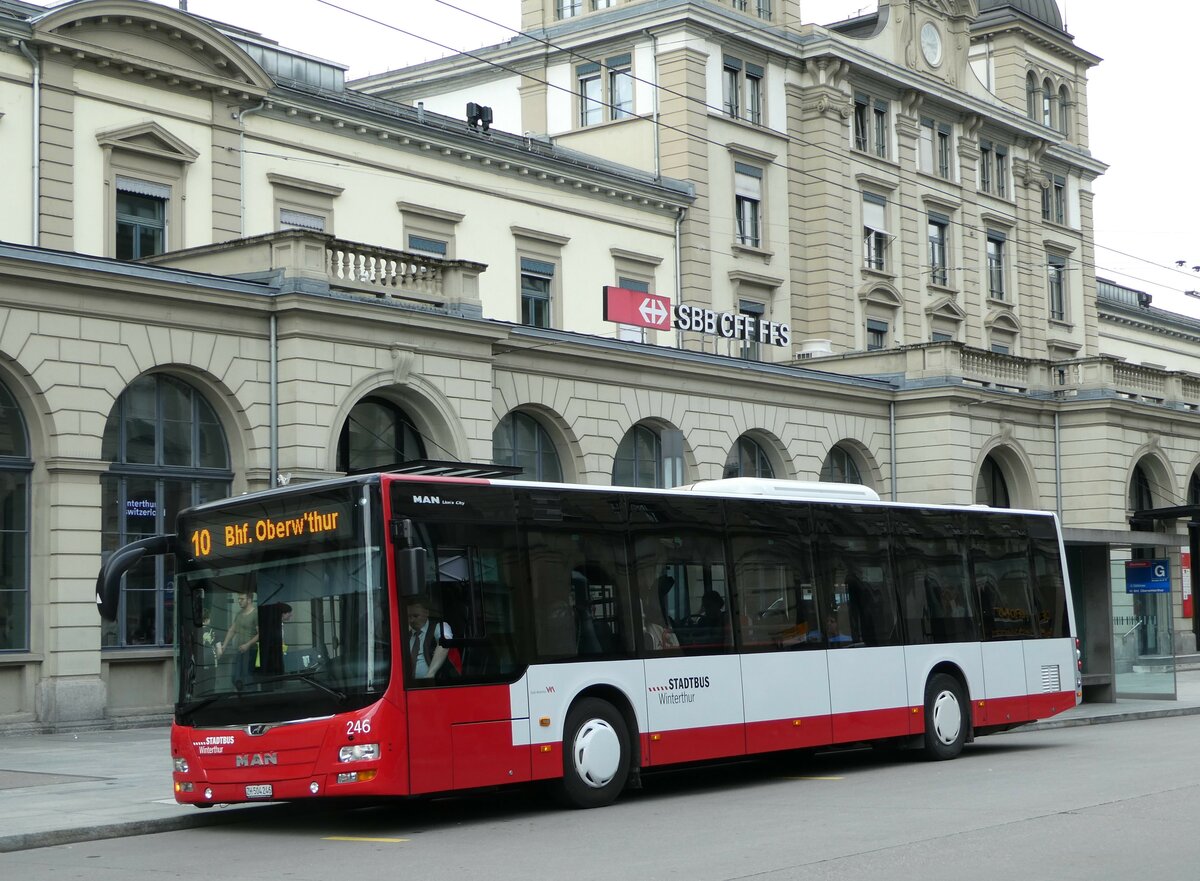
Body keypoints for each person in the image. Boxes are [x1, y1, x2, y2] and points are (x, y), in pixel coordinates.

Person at [405, 598, 455, 680]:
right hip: (408, 685)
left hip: (434, 683)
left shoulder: (440, 627)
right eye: (409, 616)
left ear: (426, 613)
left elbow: (445, 643)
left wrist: (430, 675)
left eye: (415, 616)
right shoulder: (407, 635)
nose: (412, 620)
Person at [218, 592, 258, 687]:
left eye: (242, 599)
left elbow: (260, 634)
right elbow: (232, 630)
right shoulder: (239, 614)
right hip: (239, 650)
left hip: (251, 651)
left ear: (249, 600)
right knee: (235, 678)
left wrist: (248, 645)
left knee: (247, 678)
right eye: (238, 599)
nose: (239, 601)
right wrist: (224, 645)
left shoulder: (255, 613)